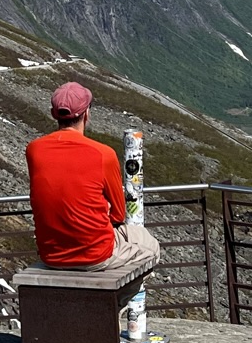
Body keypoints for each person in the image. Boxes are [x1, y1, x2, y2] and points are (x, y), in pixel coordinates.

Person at [25, 82, 160, 283]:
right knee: (151, 247)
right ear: (87, 113)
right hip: (96, 255)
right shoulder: (103, 154)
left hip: (51, 255)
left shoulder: (34, 150)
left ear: (54, 114)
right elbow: (118, 214)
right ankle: (119, 302)